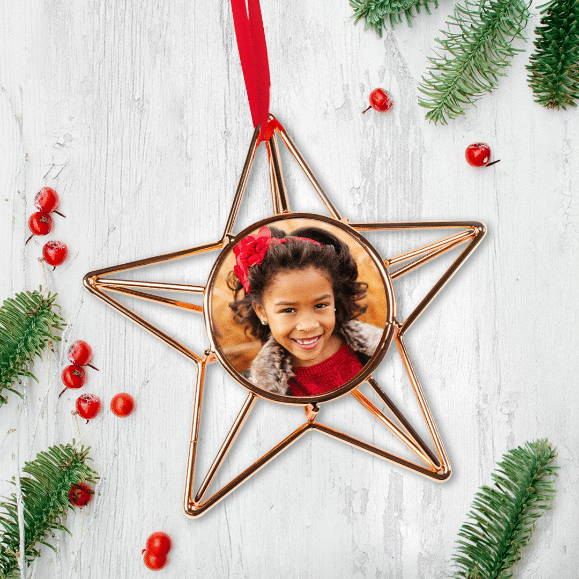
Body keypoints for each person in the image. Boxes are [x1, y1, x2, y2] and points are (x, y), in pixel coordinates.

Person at [228, 225, 382, 397]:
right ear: (261, 312)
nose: (308, 325)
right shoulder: (254, 391)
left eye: (320, 305)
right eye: (288, 310)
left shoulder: (382, 349)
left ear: (334, 300)